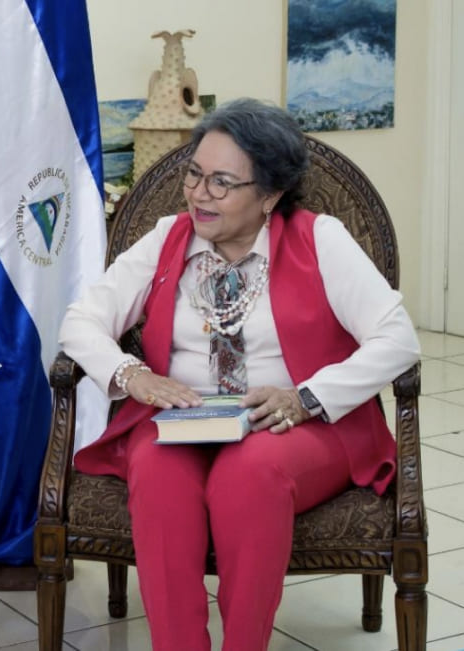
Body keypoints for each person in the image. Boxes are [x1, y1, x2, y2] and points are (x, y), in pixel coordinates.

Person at [59, 98, 419, 651]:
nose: (200, 194)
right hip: (181, 417)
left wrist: (306, 397)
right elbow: (82, 320)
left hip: (294, 425)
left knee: (247, 474)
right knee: (155, 472)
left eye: (223, 182)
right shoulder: (167, 237)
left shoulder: (320, 239)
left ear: (270, 196)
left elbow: (398, 339)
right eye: (195, 175)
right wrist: (132, 375)